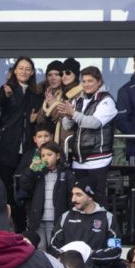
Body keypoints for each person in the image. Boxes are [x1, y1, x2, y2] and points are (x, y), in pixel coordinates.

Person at [49, 182, 120, 268]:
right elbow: (53, 246)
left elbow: (116, 251)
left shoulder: (107, 217)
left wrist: (88, 255)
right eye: (72, 194)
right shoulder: (66, 216)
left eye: (79, 195)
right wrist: (71, 257)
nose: (73, 199)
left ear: (90, 196)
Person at [0, 57, 41, 228]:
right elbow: (0, 108)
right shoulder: (7, 89)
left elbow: (35, 118)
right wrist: (6, 95)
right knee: (5, 188)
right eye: (21, 68)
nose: (24, 71)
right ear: (14, 71)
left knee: (24, 187)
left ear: (32, 73)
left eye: (28, 69)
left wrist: (34, 120)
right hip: (6, 148)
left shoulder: (36, 94)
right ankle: (4, 226)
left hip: (26, 148)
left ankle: (22, 227)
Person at [52, 66, 116, 197]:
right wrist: (68, 116)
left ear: (99, 82)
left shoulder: (107, 100)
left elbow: (94, 123)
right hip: (78, 161)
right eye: (84, 81)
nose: (86, 84)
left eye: (90, 81)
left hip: (99, 160)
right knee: (79, 200)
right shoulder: (78, 100)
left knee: (97, 200)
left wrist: (73, 114)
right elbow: (67, 126)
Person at [26, 140, 72, 247]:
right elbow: (25, 185)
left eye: (49, 155)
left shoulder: (66, 173)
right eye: (43, 155)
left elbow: (71, 196)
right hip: (38, 220)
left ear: (58, 156)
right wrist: (31, 170)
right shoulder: (38, 172)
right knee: (39, 249)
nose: (45, 158)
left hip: (57, 220)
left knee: (55, 248)